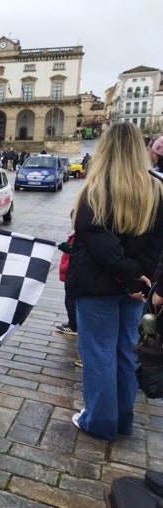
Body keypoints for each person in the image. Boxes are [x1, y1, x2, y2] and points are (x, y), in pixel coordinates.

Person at [65, 122, 163, 442]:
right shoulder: (156, 189)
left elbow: (96, 239)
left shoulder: (96, 189)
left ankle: (99, 420)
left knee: (98, 351)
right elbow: (157, 244)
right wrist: (139, 276)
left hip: (98, 285)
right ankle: (122, 419)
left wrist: (128, 273)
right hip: (135, 287)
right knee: (124, 351)